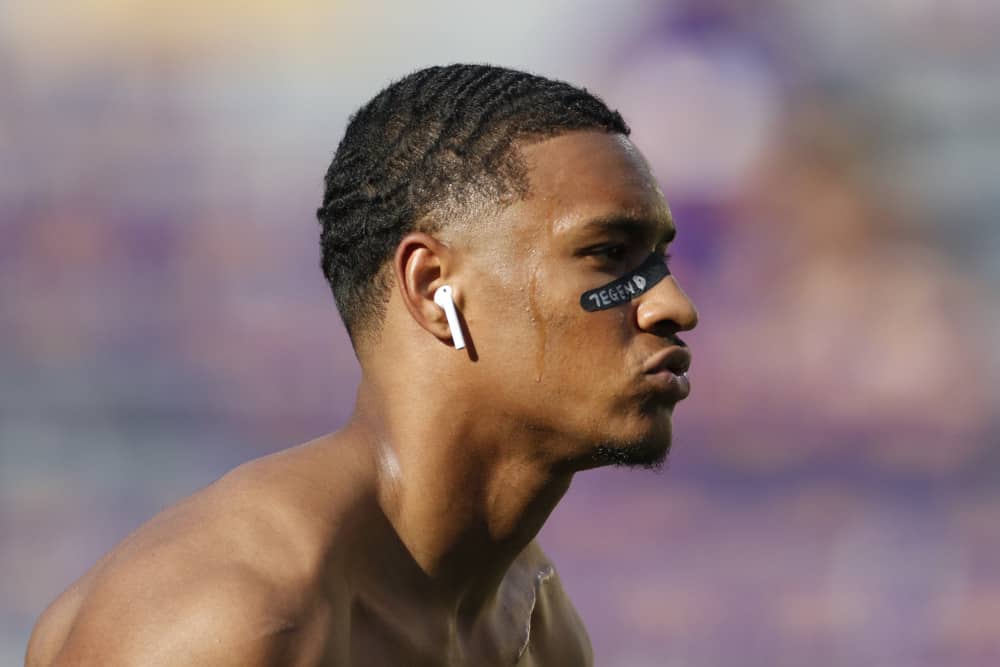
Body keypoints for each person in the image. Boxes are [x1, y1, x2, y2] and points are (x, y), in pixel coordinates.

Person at [26, 64, 698, 666]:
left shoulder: (535, 627)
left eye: (659, 260)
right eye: (609, 253)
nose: (673, 305)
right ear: (436, 288)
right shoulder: (224, 622)